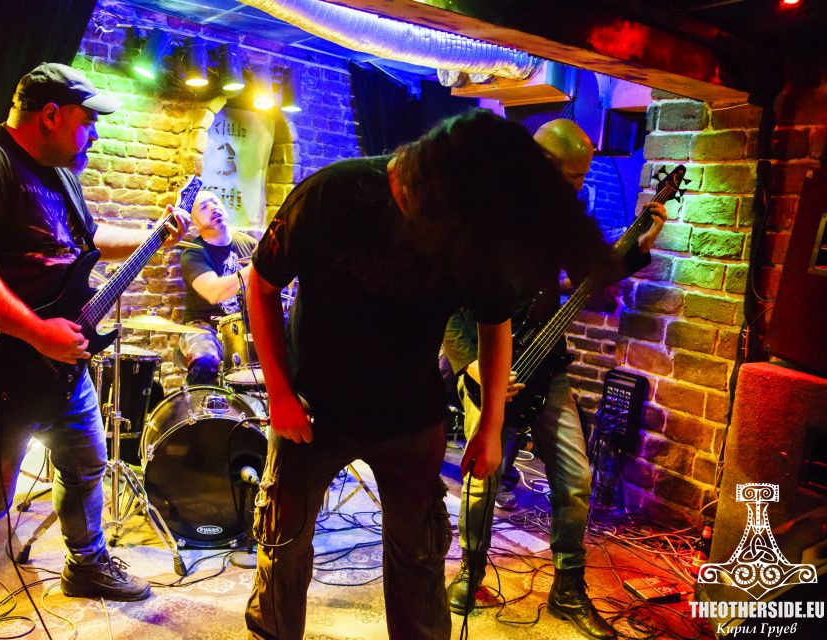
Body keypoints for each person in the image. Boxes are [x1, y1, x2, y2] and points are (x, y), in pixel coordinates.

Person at [242, 109, 625, 640]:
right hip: (313, 409)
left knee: (420, 558)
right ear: (415, 179)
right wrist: (279, 393)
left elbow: (494, 323)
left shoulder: (473, 225)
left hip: (409, 415)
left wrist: (491, 425)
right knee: (282, 547)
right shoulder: (332, 193)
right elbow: (260, 284)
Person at [0, 63, 187, 640]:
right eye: (88, 122)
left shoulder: (61, 173)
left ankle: (86, 565)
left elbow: (87, 239)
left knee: (87, 464)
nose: (95, 134)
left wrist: (154, 235)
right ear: (50, 115)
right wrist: (37, 332)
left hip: (63, 362)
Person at [443, 118, 667, 639]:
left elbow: (589, 275)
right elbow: (447, 306)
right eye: (570, 177)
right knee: (481, 479)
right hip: (488, 366)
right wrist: (472, 364)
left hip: (548, 366)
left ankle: (568, 589)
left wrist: (640, 244)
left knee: (576, 478)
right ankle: (470, 573)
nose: (577, 187)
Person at [176, 190, 257, 384]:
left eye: (215, 202)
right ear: (195, 223)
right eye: (204, 207)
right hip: (203, 327)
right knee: (205, 360)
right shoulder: (193, 254)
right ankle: (197, 401)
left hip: (243, 326)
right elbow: (214, 292)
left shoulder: (250, 244)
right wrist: (259, 267)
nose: (213, 208)